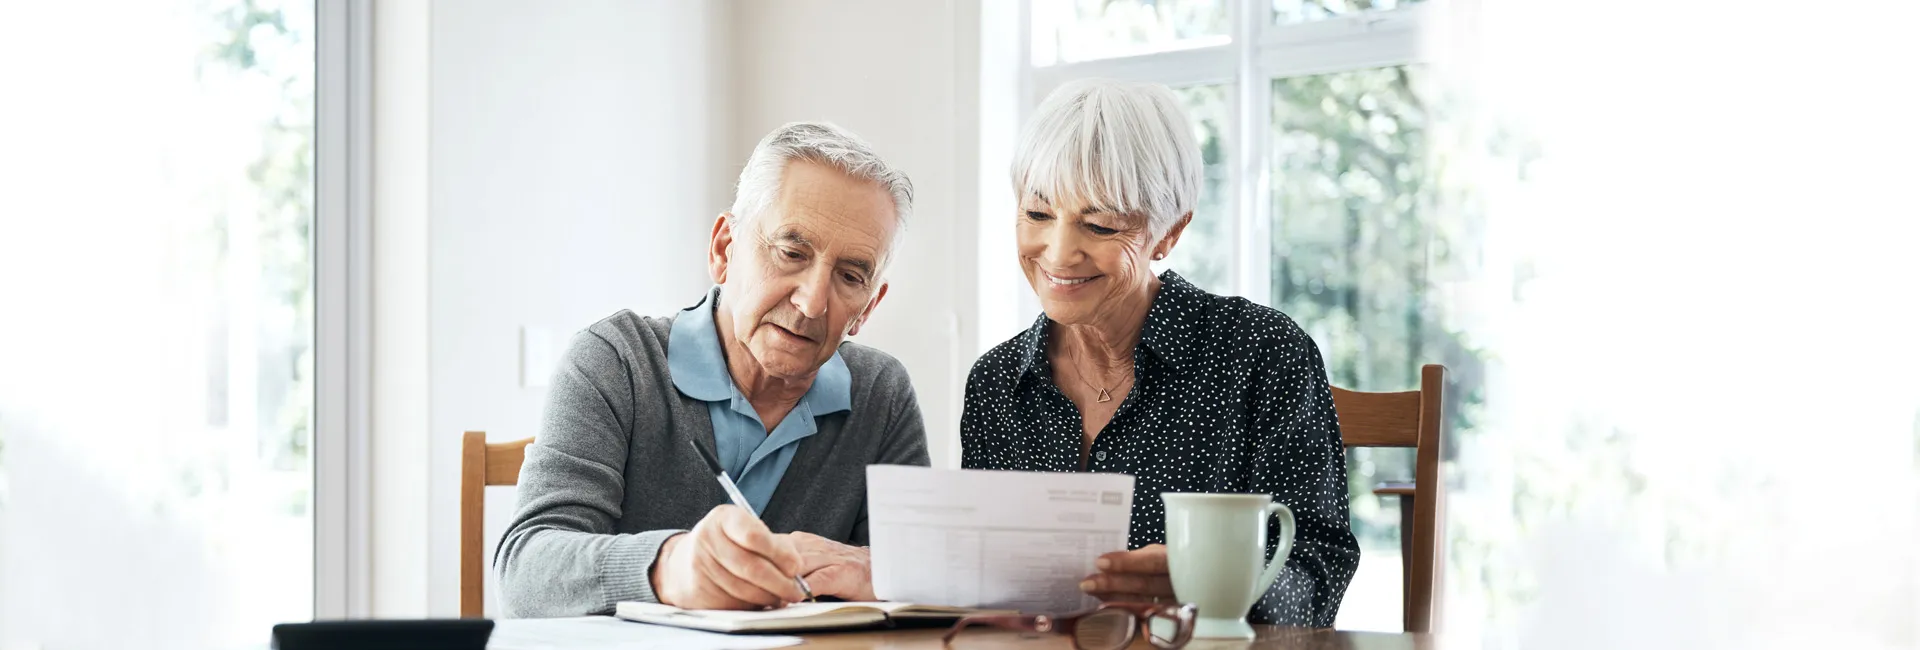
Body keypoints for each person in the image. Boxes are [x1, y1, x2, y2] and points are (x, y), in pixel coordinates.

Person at [960, 79, 1360, 627]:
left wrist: (1213, 583)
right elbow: (988, 586)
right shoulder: (997, 383)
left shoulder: (1264, 355)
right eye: (1036, 214)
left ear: (1169, 232)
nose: (1057, 252)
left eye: (1099, 224)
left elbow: (1318, 575)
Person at [497, 122, 930, 617]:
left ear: (868, 308)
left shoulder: (882, 393)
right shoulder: (616, 360)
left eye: (850, 276)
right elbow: (524, 574)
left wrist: (884, 573)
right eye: (791, 253)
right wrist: (669, 567)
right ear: (724, 249)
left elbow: (921, 582)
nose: (812, 302)